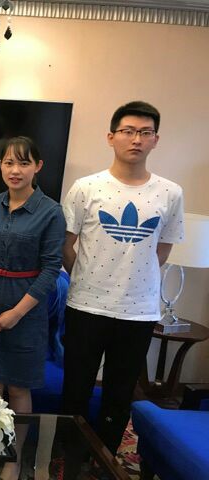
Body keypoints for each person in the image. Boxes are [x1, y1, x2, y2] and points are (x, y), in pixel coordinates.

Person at [61, 101, 184, 456]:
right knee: (75, 390)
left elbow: (162, 250)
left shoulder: (170, 193)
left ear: (155, 140)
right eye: (128, 131)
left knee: (119, 395)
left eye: (145, 132)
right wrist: (86, 277)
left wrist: (133, 278)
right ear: (111, 137)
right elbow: (65, 245)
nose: (136, 139)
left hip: (138, 312)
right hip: (86, 306)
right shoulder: (86, 187)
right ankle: (69, 459)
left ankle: (106, 459)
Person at [0, 136, 66, 479]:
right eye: (9, 163)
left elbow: (51, 269)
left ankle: (14, 457)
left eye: (23, 163)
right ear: (0, 167)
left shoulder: (51, 211)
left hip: (27, 307)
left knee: (19, 386)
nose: (15, 170)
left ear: (38, 166)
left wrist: (17, 313)